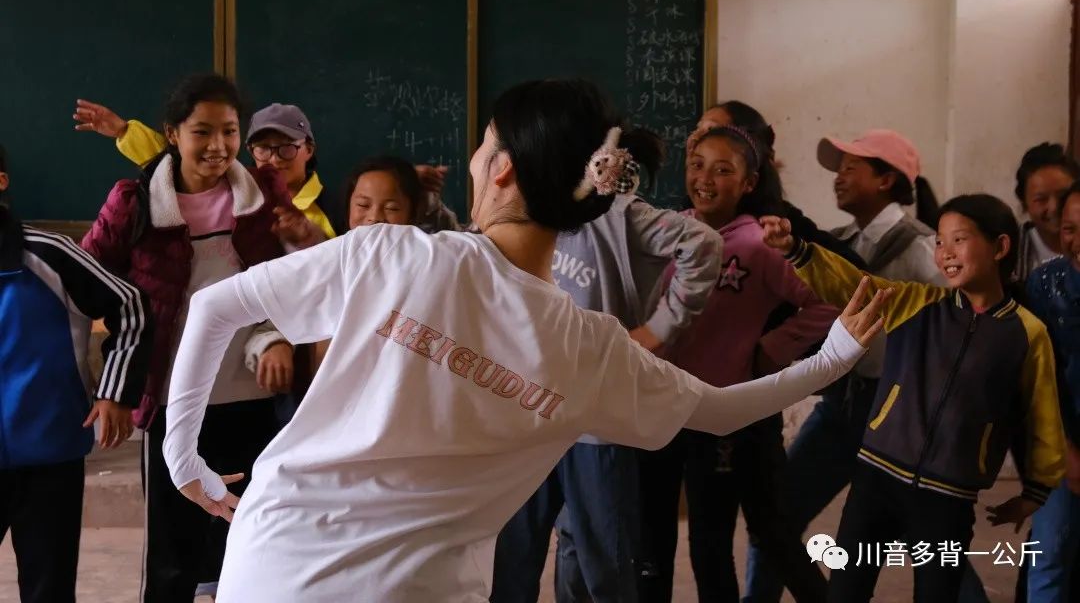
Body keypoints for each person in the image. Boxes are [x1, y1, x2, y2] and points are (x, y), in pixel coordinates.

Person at [162, 79, 891, 602]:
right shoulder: (590, 348)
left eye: (483, 151)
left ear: (502, 168)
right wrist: (833, 357)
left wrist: (183, 456)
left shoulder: (393, 253)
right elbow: (723, 410)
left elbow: (215, 310)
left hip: (276, 564)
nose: (476, 164)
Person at [761, 194, 1066, 602]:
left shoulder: (1028, 334)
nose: (946, 253)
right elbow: (852, 285)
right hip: (875, 480)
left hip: (948, 498)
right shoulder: (916, 303)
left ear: (1000, 247)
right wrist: (798, 252)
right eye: (939, 242)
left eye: (959, 240)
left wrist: (1037, 488)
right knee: (845, 591)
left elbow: (1042, 414)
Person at [80, 73, 312, 602]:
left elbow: (300, 278)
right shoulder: (134, 201)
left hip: (251, 393)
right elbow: (89, 279)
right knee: (172, 550)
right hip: (173, 396)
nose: (218, 146)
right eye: (202, 132)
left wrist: (277, 333)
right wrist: (116, 386)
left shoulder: (262, 195)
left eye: (229, 132)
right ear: (171, 134)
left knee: (255, 534)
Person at [491, 127, 723, 603]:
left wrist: (659, 328)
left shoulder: (622, 218)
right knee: (513, 551)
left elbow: (703, 244)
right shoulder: (531, 210)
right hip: (529, 414)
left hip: (596, 424)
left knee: (599, 556)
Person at [637, 122, 837, 603]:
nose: (706, 178)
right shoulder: (670, 231)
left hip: (719, 416)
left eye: (723, 170)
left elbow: (827, 302)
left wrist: (770, 349)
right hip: (661, 409)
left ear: (748, 183)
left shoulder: (757, 244)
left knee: (710, 542)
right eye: (697, 165)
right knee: (651, 539)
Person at [745, 128, 944, 603]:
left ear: (887, 179)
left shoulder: (923, 246)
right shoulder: (834, 244)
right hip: (844, 405)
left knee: (928, 541)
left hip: (899, 416)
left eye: (853, 166)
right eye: (839, 168)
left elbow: (949, 329)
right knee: (775, 517)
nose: (839, 177)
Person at [0, 143, 152, 603]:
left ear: (1, 182)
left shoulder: (49, 254)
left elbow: (130, 306)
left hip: (50, 456)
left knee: (48, 588)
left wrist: (116, 392)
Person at [75, 99, 338, 239]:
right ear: (249, 152)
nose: (275, 159)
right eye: (263, 148)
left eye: (287, 148)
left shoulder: (336, 209)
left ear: (309, 149)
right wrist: (124, 131)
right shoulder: (242, 192)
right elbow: (176, 160)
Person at [1022, 181, 1080, 601]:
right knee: (1050, 553)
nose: (1077, 242)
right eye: (1070, 229)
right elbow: (1036, 380)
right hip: (1060, 442)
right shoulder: (1045, 285)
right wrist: (1066, 451)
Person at [1013, 142, 1080, 283]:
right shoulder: (1012, 248)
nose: (1054, 207)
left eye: (1063, 195)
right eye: (1041, 199)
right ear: (1025, 204)